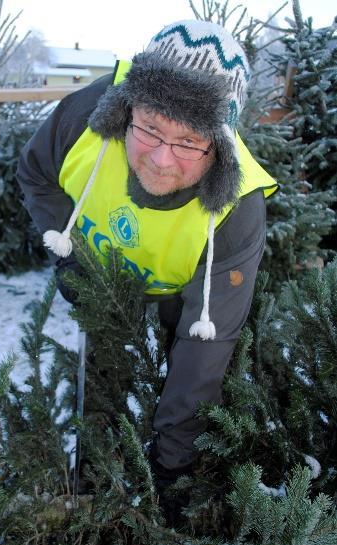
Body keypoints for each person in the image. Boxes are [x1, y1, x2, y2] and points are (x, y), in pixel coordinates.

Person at [17, 20, 278, 495]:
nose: (161, 159)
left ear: (218, 147)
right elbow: (36, 172)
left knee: (189, 370)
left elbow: (207, 345)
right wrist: (70, 254)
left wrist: (173, 465)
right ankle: (94, 473)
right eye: (151, 129)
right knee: (102, 375)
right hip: (107, 275)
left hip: (184, 291)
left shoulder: (239, 207)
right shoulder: (87, 115)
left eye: (189, 142)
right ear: (126, 109)